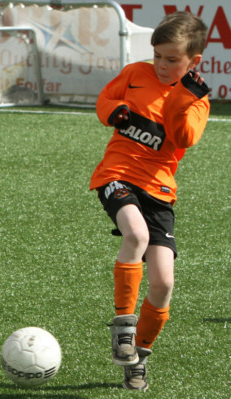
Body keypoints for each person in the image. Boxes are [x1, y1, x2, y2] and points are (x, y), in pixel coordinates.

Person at [90, 12, 209, 391]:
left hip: (159, 191)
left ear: (195, 62)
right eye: (157, 55)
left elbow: (183, 137)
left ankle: (138, 354)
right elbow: (104, 100)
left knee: (163, 283)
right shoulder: (134, 73)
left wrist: (181, 96)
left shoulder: (197, 101)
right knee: (135, 236)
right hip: (117, 175)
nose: (160, 65)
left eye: (171, 59)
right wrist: (114, 112)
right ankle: (124, 328)